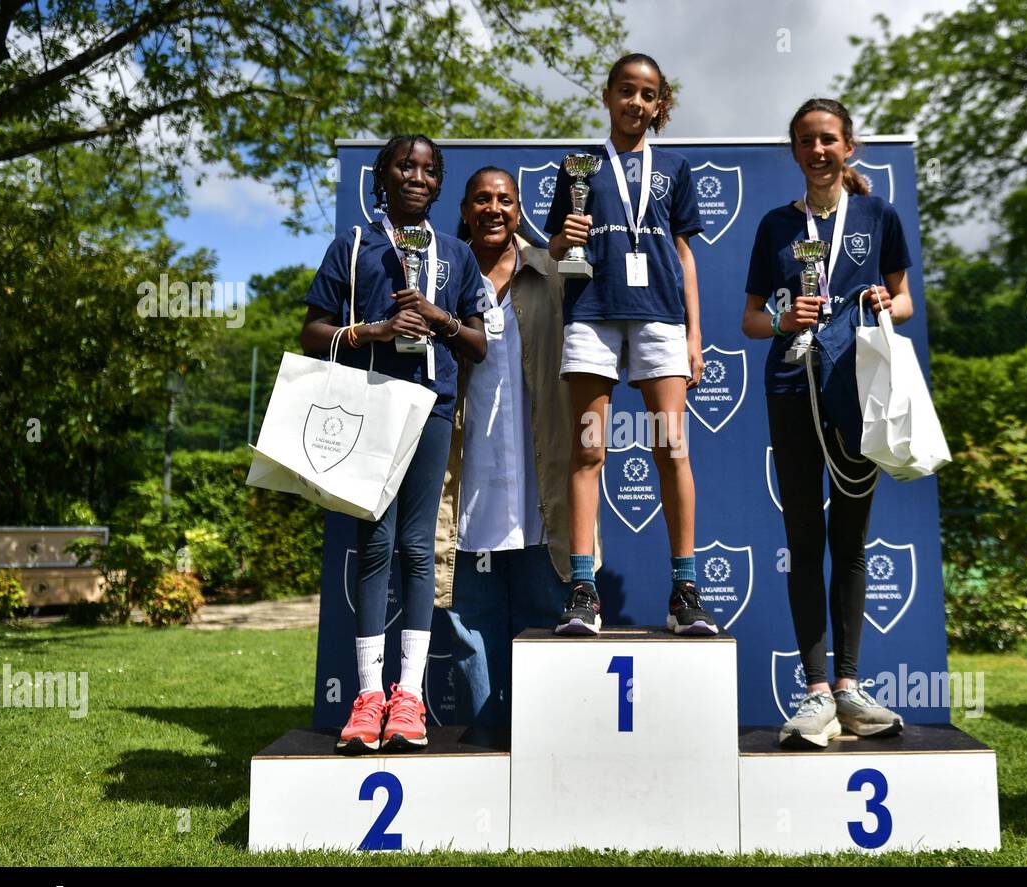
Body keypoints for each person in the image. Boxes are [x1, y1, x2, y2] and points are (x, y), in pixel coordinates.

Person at [301, 135, 487, 754]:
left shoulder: (457, 254)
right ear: (383, 175)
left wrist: (438, 319)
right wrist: (374, 330)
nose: (418, 176)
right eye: (406, 165)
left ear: (439, 185)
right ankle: (367, 695)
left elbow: (478, 344)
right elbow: (311, 331)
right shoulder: (354, 246)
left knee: (416, 546)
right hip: (368, 403)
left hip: (431, 405)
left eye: (430, 170)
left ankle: (408, 695)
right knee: (373, 540)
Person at [741, 98, 914, 747]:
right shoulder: (774, 226)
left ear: (850, 147)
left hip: (856, 386)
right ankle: (815, 691)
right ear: (795, 151)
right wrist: (784, 320)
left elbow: (905, 299)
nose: (818, 150)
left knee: (851, 537)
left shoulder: (878, 215)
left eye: (829, 139)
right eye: (807, 141)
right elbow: (750, 319)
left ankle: (849, 686)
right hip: (791, 386)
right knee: (804, 536)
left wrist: (881, 301)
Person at [544, 52, 717, 637]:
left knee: (671, 449)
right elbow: (554, 252)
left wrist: (694, 335)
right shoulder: (578, 168)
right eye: (626, 90)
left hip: (659, 320)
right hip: (592, 315)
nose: (635, 102)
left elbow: (685, 253)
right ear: (608, 96)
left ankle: (685, 589)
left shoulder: (675, 168)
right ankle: (583, 589)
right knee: (590, 450)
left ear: (658, 105)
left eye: (647, 94)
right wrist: (562, 237)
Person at [431, 167, 599, 727]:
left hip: (540, 496)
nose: (494, 209)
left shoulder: (551, 271)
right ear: (465, 208)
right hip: (468, 495)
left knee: (546, 646)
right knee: (470, 640)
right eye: (482, 199)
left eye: (505, 199)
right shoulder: (441, 278)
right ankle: (483, 750)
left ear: (519, 207)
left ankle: (543, 765)